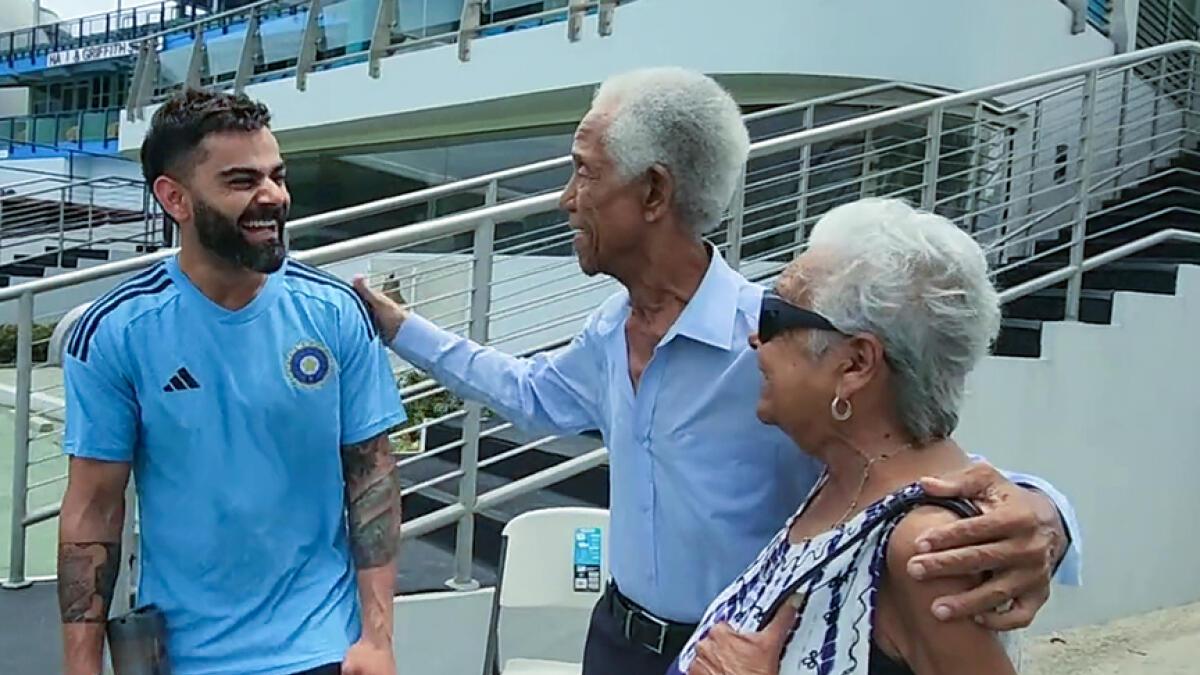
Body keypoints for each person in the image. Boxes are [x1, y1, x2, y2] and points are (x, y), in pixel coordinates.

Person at [351, 67, 1081, 675]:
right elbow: (529, 394)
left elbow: (907, 453)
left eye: (582, 172)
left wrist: (1045, 515)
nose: (566, 200)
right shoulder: (611, 330)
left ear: (654, 193)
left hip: (747, 653)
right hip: (618, 641)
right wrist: (398, 327)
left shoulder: (781, 343)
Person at [57, 89, 406, 675]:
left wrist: (378, 639)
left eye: (278, 176)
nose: (272, 196)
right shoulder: (115, 332)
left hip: (323, 647)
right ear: (175, 198)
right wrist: (82, 667)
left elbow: (371, 476)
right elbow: (93, 509)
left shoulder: (335, 312)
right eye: (242, 181)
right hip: (186, 656)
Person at [674, 198, 1023, 675]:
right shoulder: (850, 475)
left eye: (775, 317)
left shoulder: (925, 546)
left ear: (855, 364)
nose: (755, 338)